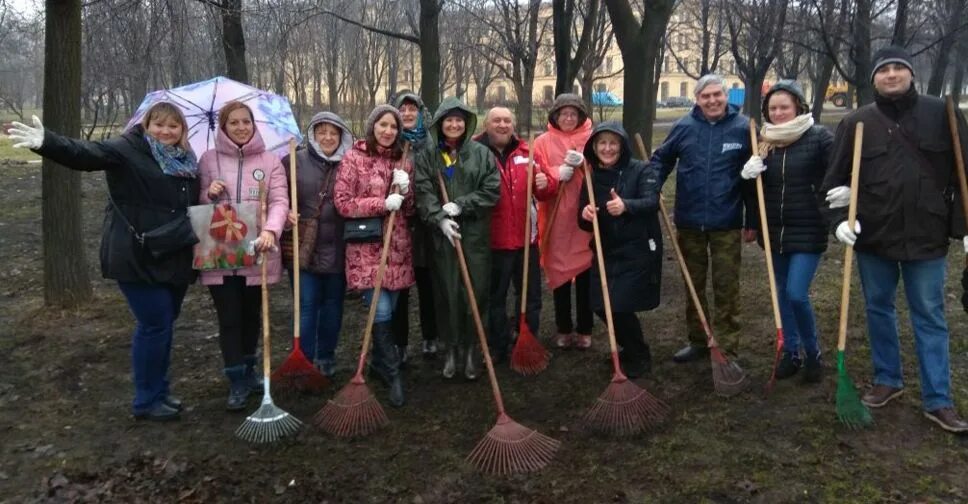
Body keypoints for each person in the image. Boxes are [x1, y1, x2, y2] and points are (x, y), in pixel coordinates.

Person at [8, 103, 200, 421]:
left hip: (173, 252)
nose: (166, 131)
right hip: (136, 253)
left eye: (173, 126)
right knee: (154, 323)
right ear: (146, 125)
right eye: (159, 125)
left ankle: (160, 390)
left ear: (182, 130)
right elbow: (87, 154)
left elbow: (188, 202)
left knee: (164, 324)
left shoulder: (186, 160)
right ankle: (146, 400)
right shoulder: (126, 148)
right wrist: (48, 142)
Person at [821, 46, 968, 433]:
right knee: (878, 310)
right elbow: (832, 183)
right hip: (876, 236)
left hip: (927, 236)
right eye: (883, 70)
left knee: (930, 316)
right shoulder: (856, 122)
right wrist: (838, 217)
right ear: (873, 79)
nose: (891, 75)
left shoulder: (943, 115)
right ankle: (889, 379)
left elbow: (965, 173)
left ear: (911, 75)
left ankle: (939, 400)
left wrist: (966, 226)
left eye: (897, 68)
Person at [647, 74, 756, 362]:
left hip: (727, 222)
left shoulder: (743, 128)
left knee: (726, 287)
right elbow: (661, 159)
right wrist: (653, 185)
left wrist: (753, 220)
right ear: (697, 99)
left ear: (725, 95)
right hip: (689, 220)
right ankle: (698, 340)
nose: (712, 100)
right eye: (705, 96)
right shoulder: (684, 127)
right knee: (692, 285)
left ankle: (727, 347)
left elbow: (753, 181)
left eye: (717, 95)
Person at [197, 101, 289, 411]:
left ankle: (251, 372)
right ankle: (236, 378)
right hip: (221, 250)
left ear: (254, 124)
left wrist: (271, 231)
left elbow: (280, 201)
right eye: (233, 122)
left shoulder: (271, 160)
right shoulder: (209, 160)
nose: (240, 127)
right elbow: (199, 202)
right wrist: (209, 193)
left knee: (252, 316)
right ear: (223, 127)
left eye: (246, 121)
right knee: (230, 317)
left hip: (257, 249)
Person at [741, 80, 833, 383]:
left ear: (798, 107)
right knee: (782, 294)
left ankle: (813, 353)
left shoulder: (818, 137)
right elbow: (754, 192)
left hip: (808, 229)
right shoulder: (763, 142)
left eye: (785, 107)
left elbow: (836, 174)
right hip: (775, 231)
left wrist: (838, 201)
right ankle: (791, 353)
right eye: (773, 108)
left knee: (796, 293)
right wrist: (747, 175)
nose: (778, 113)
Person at [333, 104, 414, 407]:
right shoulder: (354, 158)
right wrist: (382, 203)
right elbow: (343, 203)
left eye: (393, 127)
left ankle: (380, 364)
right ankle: (393, 374)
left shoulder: (404, 160)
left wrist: (406, 194)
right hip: (366, 249)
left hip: (398, 247)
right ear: (372, 126)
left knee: (389, 311)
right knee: (379, 311)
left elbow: (411, 210)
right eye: (383, 125)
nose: (388, 131)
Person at [414, 97, 500, 380]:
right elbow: (423, 190)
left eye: (459, 120)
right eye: (448, 120)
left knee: (474, 293)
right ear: (440, 124)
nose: (454, 125)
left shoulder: (481, 153)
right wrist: (438, 218)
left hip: (474, 236)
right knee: (447, 293)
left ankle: (471, 351)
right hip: (442, 239)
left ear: (467, 124)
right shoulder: (429, 155)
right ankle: (450, 349)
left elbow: (491, 190)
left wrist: (462, 204)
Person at [578, 121, 662, 378]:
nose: (607, 148)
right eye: (601, 143)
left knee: (620, 305)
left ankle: (639, 354)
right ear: (594, 147)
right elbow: (581, 222)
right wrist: (586, 213)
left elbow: (652, 201)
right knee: (599, 304)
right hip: (606, 250)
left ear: (622, 146)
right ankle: (630, 345)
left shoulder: (640, 169)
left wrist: (626, 205)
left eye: (613, 143)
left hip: (636, 248)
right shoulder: (591, 178)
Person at [474, 107, 554, 363]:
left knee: (530, 296)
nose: (502, 124)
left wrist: (545, 183)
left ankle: (527, 339)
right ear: (486, 124)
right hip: (493, 240)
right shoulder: (475, 153)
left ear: (513, 125)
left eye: (507, 120)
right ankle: (498, 344)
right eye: (496, 120)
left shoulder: (526, 153)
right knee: (495, 297)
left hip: (525, 240)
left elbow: (546, 187)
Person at [281, 111, 353, 377]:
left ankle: (326, 355)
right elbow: (279, 195)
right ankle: (303, 358)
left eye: (333, 132)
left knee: (333, 304)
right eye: (322, 131)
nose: (327, 137)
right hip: (304, 247)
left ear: (341, 136)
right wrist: (284, 213)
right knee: (307, 304)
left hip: (338, 246)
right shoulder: (294, 161)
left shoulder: (349, 163)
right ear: (312, 134)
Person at [533, 93, 595, 350]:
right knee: (558, 270)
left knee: (584, 271)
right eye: (563, 114)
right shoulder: (542, 142)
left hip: (583, 214)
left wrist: (584, 165)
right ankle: (563, 327)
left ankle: (584, 328)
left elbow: (606, 165)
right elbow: (536, 172)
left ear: (580, 116)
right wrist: (558, 173)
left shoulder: (591, 138)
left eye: (573, 114)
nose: (568, 118)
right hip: (556, 215)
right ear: (555, 116)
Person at [390, 91, 439, 361]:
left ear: (421, 113)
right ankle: (400, 342)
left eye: (413, 109)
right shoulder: (390, 144)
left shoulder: (430, 145)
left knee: (428, 284)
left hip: (426, 226)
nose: (408, 114)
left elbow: (445, 175)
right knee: (398, 287)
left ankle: (431, 336)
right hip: (397, 226)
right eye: (403, 109)